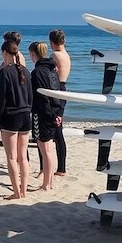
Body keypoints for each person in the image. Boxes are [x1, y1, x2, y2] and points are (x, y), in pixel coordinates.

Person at [0, 36, 31, 199]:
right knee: (23, 157)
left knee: (12, 157)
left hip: (11, 116)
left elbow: (0, 100)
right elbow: (30, 96)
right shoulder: (26, 71)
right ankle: (24, 190)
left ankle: (16, 192)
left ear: (4, 53)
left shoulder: (5, 72)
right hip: (25, 115)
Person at [29, 41, 65, 192]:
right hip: (54, 112)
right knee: (48, 149)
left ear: (33, 54)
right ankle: (49, 182)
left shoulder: (37, 73)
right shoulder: (53, 70)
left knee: (45, 150)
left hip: (42, 114)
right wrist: (58, 114)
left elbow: (42, 98)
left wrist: (51, 115)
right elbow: (60, 93)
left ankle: (46, 183)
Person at [49, 28, 71, 177]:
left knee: (57, 131)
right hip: (63, 88)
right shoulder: (66, 55)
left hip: (57, 89)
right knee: (58, 130)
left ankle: (61, 168)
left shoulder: (55, 55)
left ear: (52, 42)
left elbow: (49, 74)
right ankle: (61, 166)